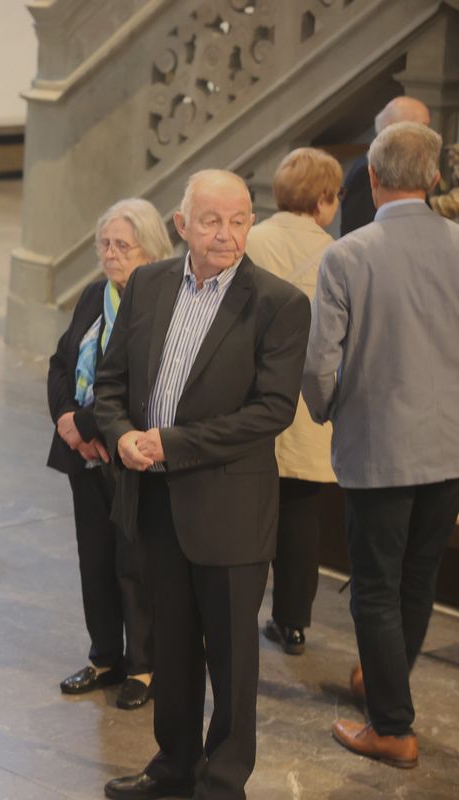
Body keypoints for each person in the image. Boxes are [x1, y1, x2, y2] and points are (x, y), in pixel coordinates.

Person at [95, 170, 310, 800]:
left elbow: (272, 410)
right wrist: (120, 435)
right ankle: (174, 768)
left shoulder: (277, 303)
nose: (227, 234)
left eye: (239, 219)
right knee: (175, 649)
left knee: (233, 662)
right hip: (155, 502)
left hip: (230, 510)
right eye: (212, 221)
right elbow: (110, 384)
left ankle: (222, 782)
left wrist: (173, 444)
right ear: (182, 225)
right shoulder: (146, 285)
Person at [303, 122, 459, 770]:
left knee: (374, 587)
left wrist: (328, 412)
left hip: (378, 449)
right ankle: (383, 681)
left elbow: (318, 368)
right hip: (449, 448)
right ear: (434, 180)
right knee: (417, 578)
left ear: (370, 178)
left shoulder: (347, 254)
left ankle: (391, 726)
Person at [47, 198, 171, 709]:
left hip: (131, 452)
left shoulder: (160, 299)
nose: (110, 254)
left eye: (123, 245)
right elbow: (61, 362)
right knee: (94, 558)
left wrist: (89, 422)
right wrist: (66, 421)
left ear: (151, 249)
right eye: (105, 244)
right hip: (85, 453)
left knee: (134, 562)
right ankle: (105, 656)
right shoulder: (95, 294)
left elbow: (145, 382)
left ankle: (144, 666)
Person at [245, 147, 343, 655]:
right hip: (306, 406)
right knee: (300, 517)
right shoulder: (339, 253)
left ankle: (233, 612)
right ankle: (293, 622)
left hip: (250, 399)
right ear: (325, 200)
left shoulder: (251, 240)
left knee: (245, 511)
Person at [340, 96, 430, 235]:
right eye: (421, 128)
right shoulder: (366, 171)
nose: (429, 135)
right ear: (392, 129)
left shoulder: (408, 166)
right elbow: (360, 234)